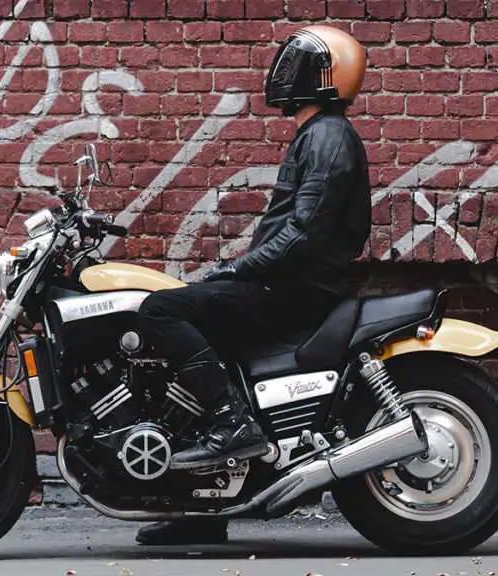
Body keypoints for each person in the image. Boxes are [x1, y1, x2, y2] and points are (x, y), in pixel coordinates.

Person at [134, 25, 372, 546]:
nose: (283, 72)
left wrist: (240, 268)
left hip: (294, 289)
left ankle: (233, 425)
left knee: (159, 312)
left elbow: (305, 230)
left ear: (320, 76)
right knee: (206, 337)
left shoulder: (329, 134)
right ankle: (203, 506)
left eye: (296, 63)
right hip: (288, 282)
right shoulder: (318, 133)